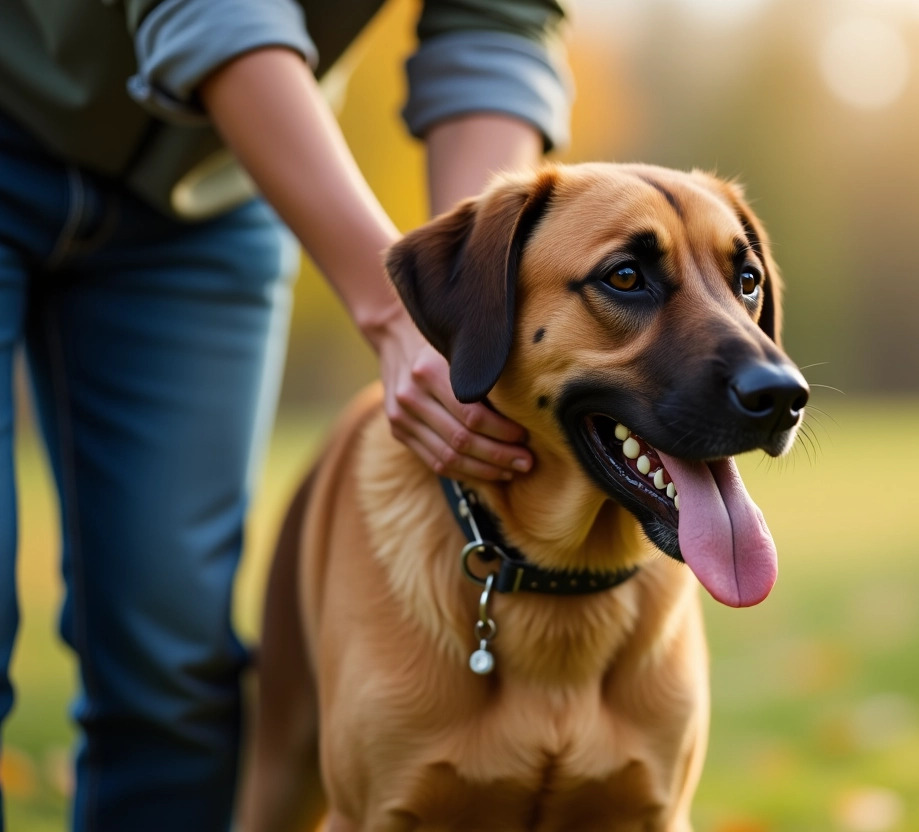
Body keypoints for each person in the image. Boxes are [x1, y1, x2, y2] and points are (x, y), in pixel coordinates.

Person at [0, 0, 570, 827]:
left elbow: (494, 21)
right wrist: (392, 308)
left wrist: (472, 300)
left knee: (173, 678)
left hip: (208, 188)